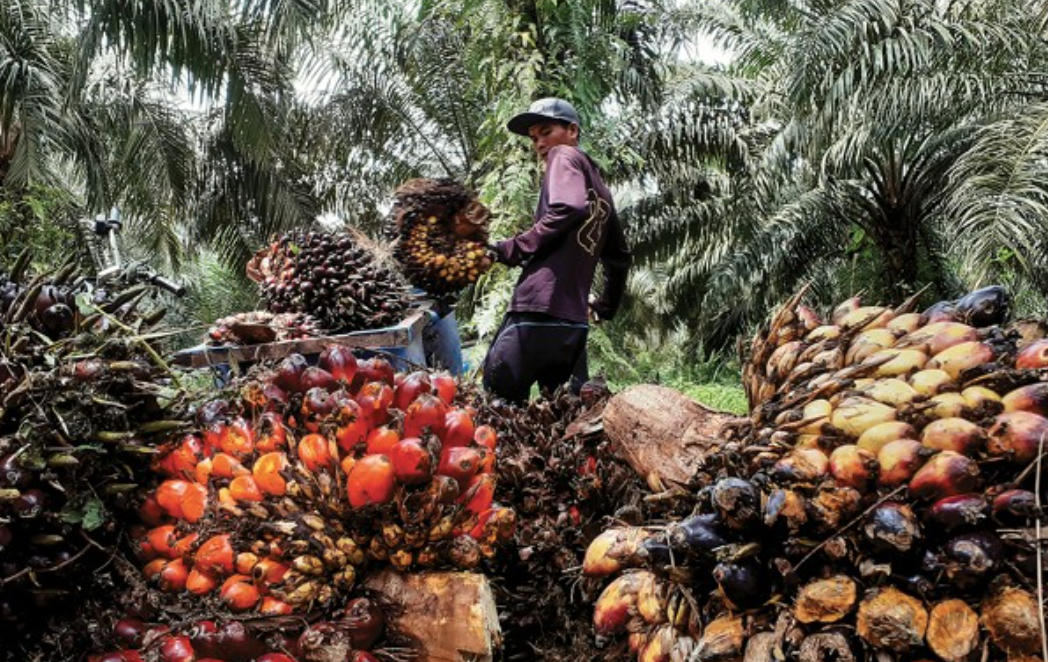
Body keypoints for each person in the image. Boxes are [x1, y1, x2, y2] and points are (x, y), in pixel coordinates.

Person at [482, 97, 631, 404]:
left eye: (546, 131)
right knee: (562, 420)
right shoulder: (601, 190)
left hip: (537, 311)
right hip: (572, 327)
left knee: (497, 409)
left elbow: (568, 207)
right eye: (534, 138)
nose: (539, 143)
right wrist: (605, 306)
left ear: (572, 131)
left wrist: (508, 249)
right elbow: (619, 257)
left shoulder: (563, 155)